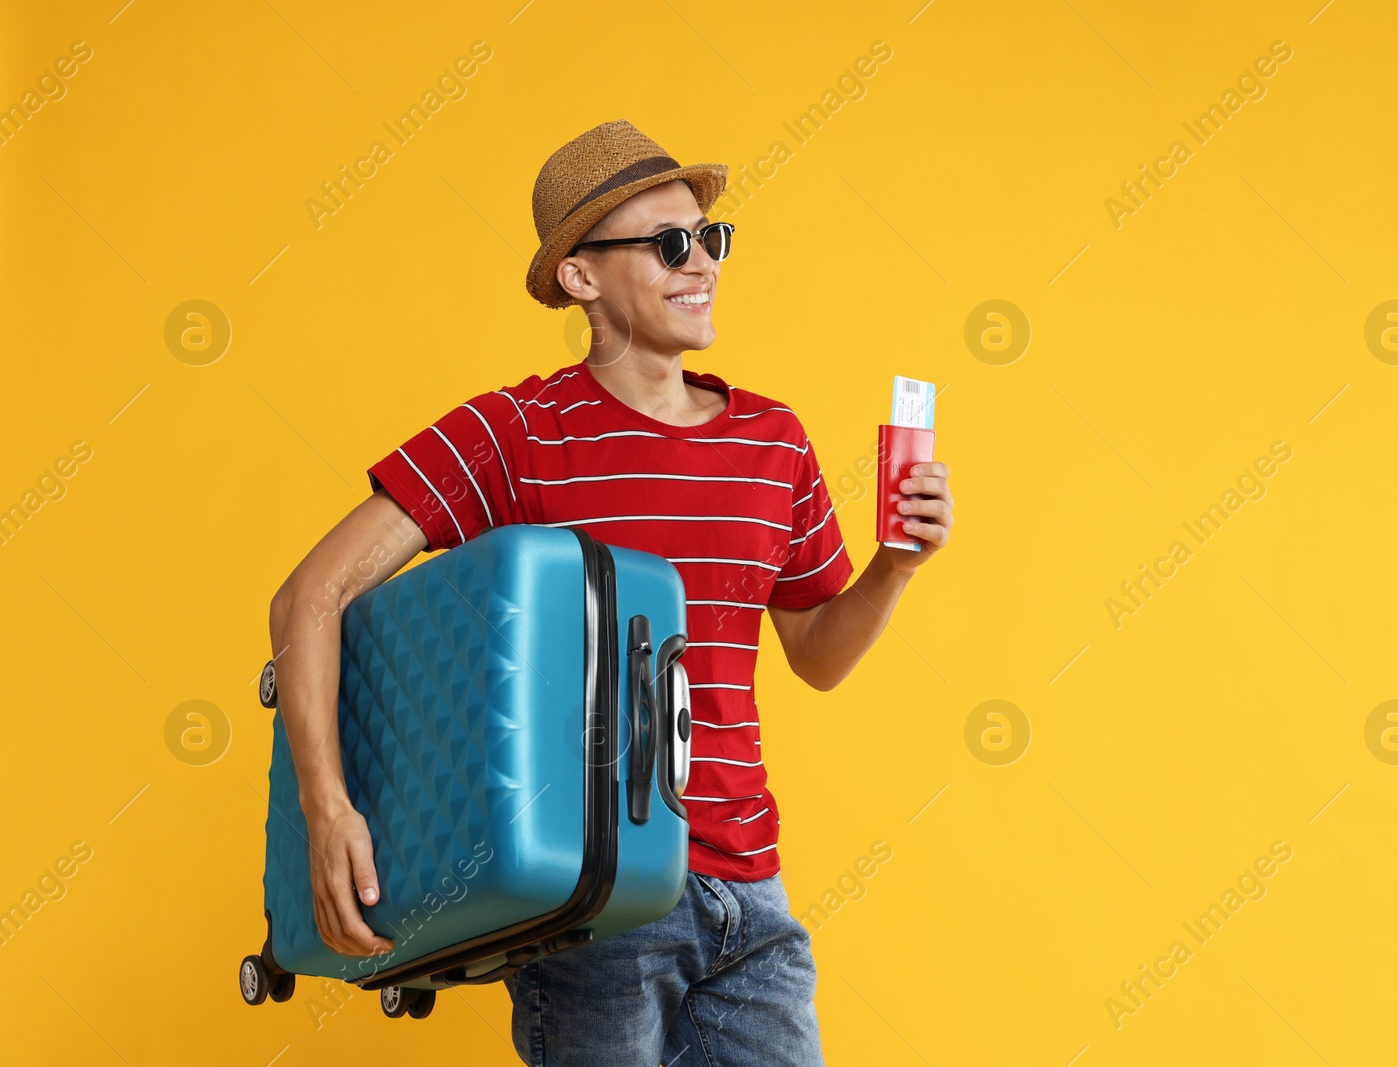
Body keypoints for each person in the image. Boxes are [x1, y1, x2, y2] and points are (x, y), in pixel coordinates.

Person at [266, 119, 954, 1066]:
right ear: (581, 277)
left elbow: (818, 655)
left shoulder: (774, 441)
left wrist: (896, 565)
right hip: (597, 899)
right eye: (670, 243)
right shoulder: (519, 431)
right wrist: (328, 809)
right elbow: (309, 597)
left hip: (751, 893)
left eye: (711, 238)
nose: (702, 261)